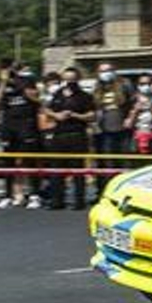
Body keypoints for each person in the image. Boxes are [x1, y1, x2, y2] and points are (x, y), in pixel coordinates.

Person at [0, 68, 43, 208]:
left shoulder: (29, 84)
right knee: (8, 162)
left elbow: (35, 98)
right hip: (9, 127)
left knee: (29, 160)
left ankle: (34, 195)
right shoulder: (5, 86)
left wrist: (20, 83)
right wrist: (4, 82)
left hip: (27, 126)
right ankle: (8, 195)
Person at [43, 67, 95, 210]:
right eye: (66, 79)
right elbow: (47, 109)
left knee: (78, 170)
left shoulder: (84, 96)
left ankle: (79, 201)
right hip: (59, 135)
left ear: (78, 79)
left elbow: (91, 115)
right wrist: (56, 115)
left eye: (72, 79)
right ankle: (57, 201)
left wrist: (74, 115)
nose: (69, 82)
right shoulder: (58, 94)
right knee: (56, 170)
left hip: (77, 135)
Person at [92, 63, 133, 173]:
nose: (106, 74)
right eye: (102, 71)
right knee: (109, 161)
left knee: (125, 160)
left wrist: (130, 118)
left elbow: (133, 104)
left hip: (123, 129)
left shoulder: (124, 85)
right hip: (105, 130)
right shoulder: (97, 89)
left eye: (108, 70)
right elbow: (95, 108)